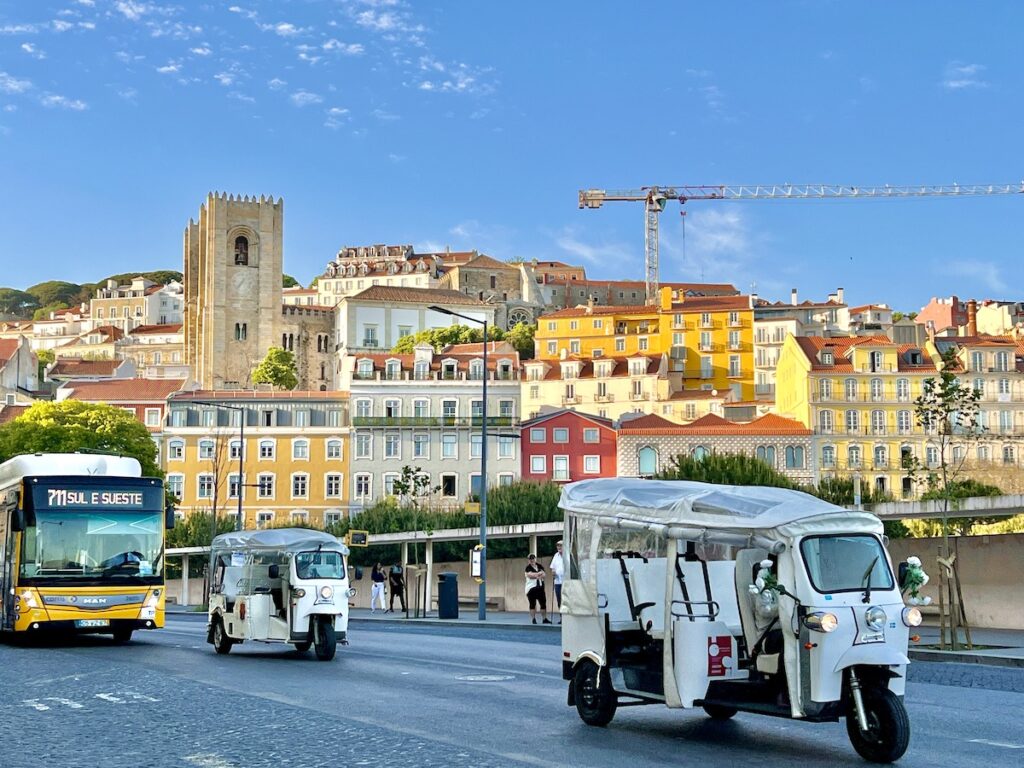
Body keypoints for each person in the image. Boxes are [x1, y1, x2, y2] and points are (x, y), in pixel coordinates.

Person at [525, 554, 551, 624]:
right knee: (532, 604)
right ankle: (533, 619)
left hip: (540, 587)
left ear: (535, 559)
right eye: (530, 559)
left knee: (543, 603)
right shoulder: (528, 567)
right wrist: (539, 574)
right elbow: (530, 575)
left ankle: (544, 619)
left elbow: (544, 574)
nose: (532, 560)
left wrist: (536, 574)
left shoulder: (539, 566)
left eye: (533, 558)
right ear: (528, 560)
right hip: (531, 588)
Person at [549, 540, 565, 623]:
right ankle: (562, 618)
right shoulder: (556, 555)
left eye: (560, 545)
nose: (559, 547)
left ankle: (567, 618)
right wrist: (553, 572)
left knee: (566, 600)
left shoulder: (568, 555)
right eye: (558, 546)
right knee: (559, 600)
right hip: (558, 582)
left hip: (566, 582)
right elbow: (552, 567)